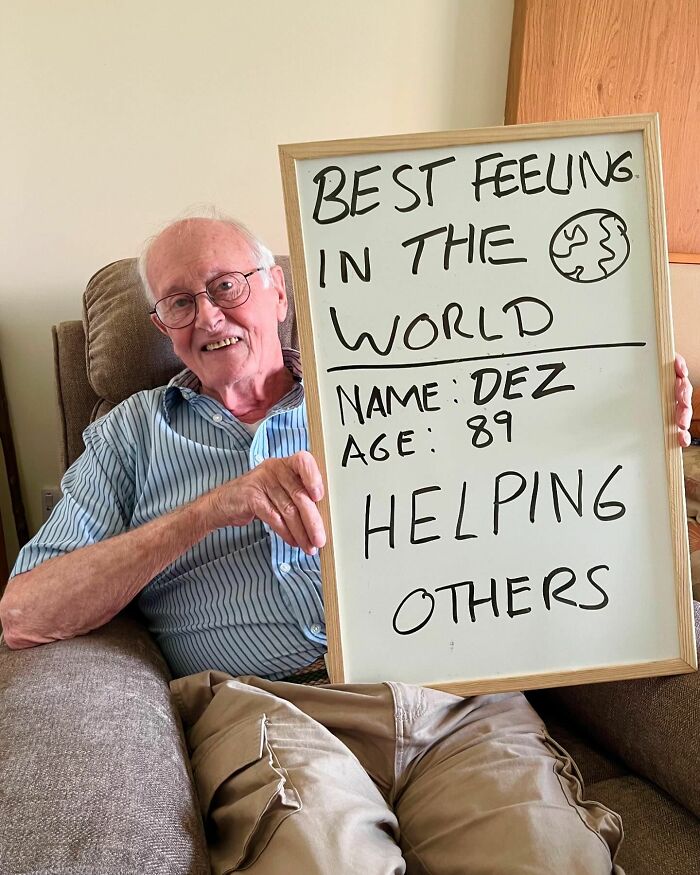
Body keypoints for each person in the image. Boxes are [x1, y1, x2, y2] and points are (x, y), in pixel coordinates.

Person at [0, 213, 693, 874]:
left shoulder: (395, 386)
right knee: (322, 859)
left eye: (224, 286)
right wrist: (210, 510)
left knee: (541, 859)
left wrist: (629, 424)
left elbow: (532, 482)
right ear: (162, 327)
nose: (207, 316)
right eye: (178, 302)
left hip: (450, 694)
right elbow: (26, 612)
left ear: (276, 291)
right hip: (269, 707)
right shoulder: (131, 435)